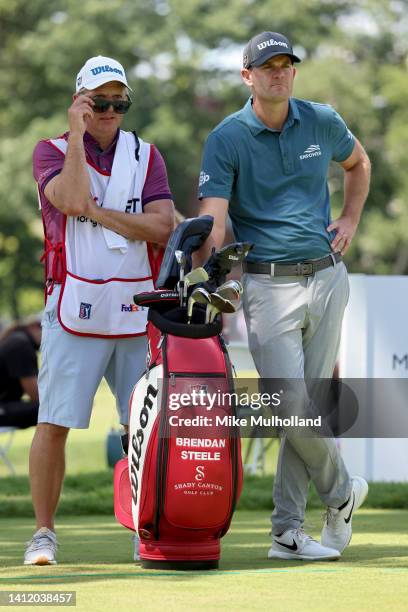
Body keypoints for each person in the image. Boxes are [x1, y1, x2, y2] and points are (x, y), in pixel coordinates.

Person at [197, 32, 371, 560]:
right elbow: (214, 217)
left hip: (327, 276)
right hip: (269, 284)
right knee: (289, 404)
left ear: (294, 72)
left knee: (307, 408)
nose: (278, 72)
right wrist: (211, 267)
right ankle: (342, 494)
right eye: (266, 66)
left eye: (285, 64)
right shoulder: (227, 137)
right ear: (247, 76)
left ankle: (287, 533)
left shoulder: (320, 119)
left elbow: (358, 164)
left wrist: (349, 218)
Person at [25, 55, 174, 566]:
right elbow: (68, 198)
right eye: (98, 101)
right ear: (81, 101)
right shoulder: (51, 151)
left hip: (136, 308)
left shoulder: (147, 155)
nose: (109, 111)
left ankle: (146, 528)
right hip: (73, 305)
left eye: (118, 101)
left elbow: (162, 227)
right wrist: (73, 132)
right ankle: (44, 533)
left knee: (144, 425)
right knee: (55, 420)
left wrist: (98, 212)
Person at [0, 317, 41, 429]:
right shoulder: (20, 344)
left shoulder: (15, 339)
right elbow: (36, 395)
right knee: (50, 410)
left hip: (5, 404)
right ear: (34, 327)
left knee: (52, 408)